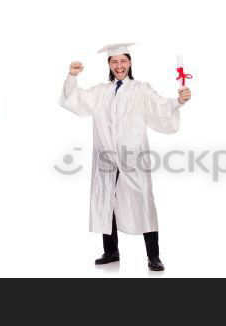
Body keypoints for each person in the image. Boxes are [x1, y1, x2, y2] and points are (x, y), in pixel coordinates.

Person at [59, 43, 191, 271]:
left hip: (133, 156)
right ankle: (111, 251)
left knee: (143, 201)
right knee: (105, 200)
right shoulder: (100, 91)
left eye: (123, 61)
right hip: (106, 156)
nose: (119, 66)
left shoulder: (140, 89)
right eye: (114, 62)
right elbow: (74, 99)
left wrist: (179, 101)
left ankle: (154, 256)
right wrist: (72, 76)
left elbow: (161, 106)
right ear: (109, 64)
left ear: (130, 63)